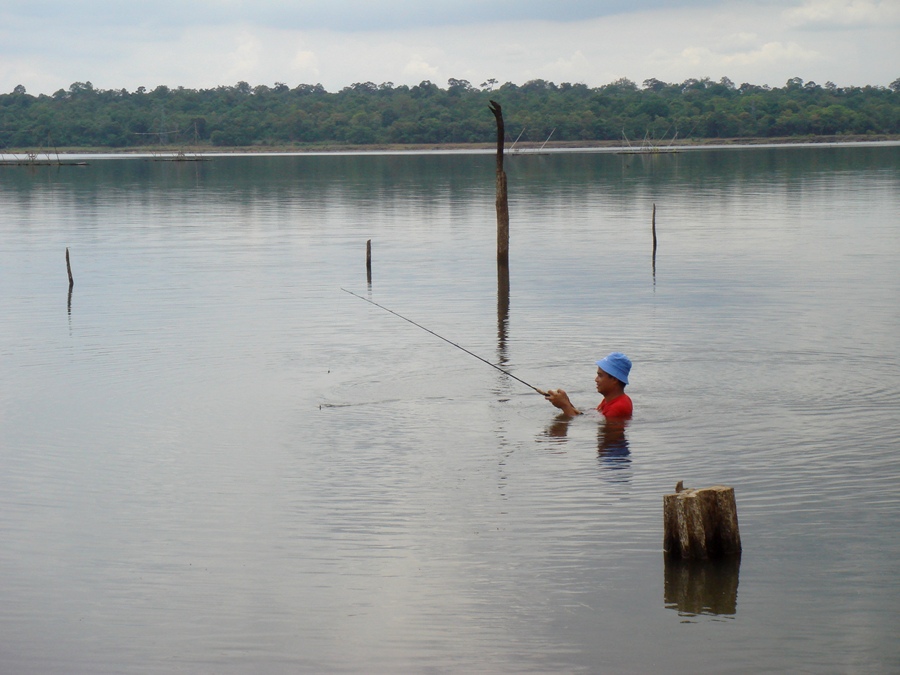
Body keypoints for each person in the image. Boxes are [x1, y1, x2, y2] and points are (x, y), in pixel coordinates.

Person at [544, 352, 633, 419]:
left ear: (614, 379)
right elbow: (582, 417)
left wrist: (565, 406)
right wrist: (566, 402)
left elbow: (607, 435)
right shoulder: (610, 400)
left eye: (600, 375)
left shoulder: (618, 407)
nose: (596, 379)